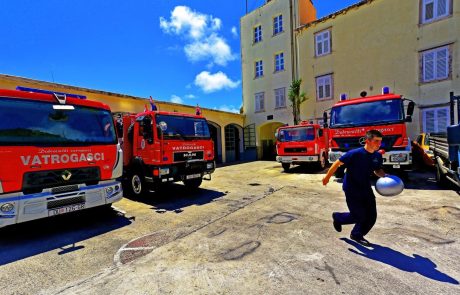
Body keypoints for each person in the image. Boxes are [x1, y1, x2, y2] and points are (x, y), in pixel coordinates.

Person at [322, 129, 387, 246]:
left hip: (366, 188)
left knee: (371, 216)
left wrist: (385, 176)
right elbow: (337, 163)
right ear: (368, 141)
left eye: (380, 141)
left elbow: (377, 170)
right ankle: (338, 217)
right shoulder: (355, 154)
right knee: (358, 215)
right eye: (376, 141)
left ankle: (357, 234)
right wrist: (327, 177)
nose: (379, 144)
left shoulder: (377, 156)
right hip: (352, 188)